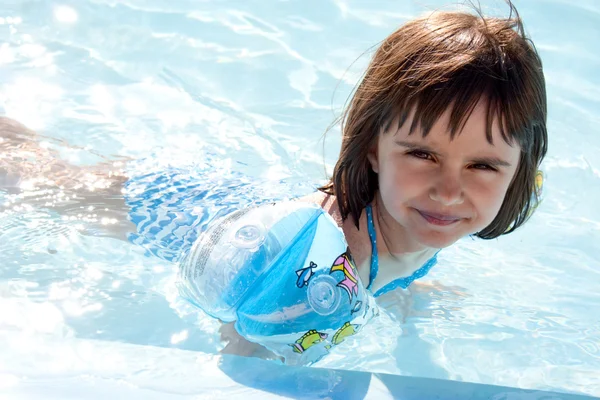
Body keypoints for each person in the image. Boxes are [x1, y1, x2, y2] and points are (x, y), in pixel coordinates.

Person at [1, 1, 547, 364]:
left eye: (482, 166)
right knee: (32, 175)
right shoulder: (317, 268)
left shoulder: (414, 217)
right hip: (163, 209)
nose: (449, 190)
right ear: (372, 148)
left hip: (227, 197)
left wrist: (402, 292)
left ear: (518, 170)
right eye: (423, 154)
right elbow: (242, 358)